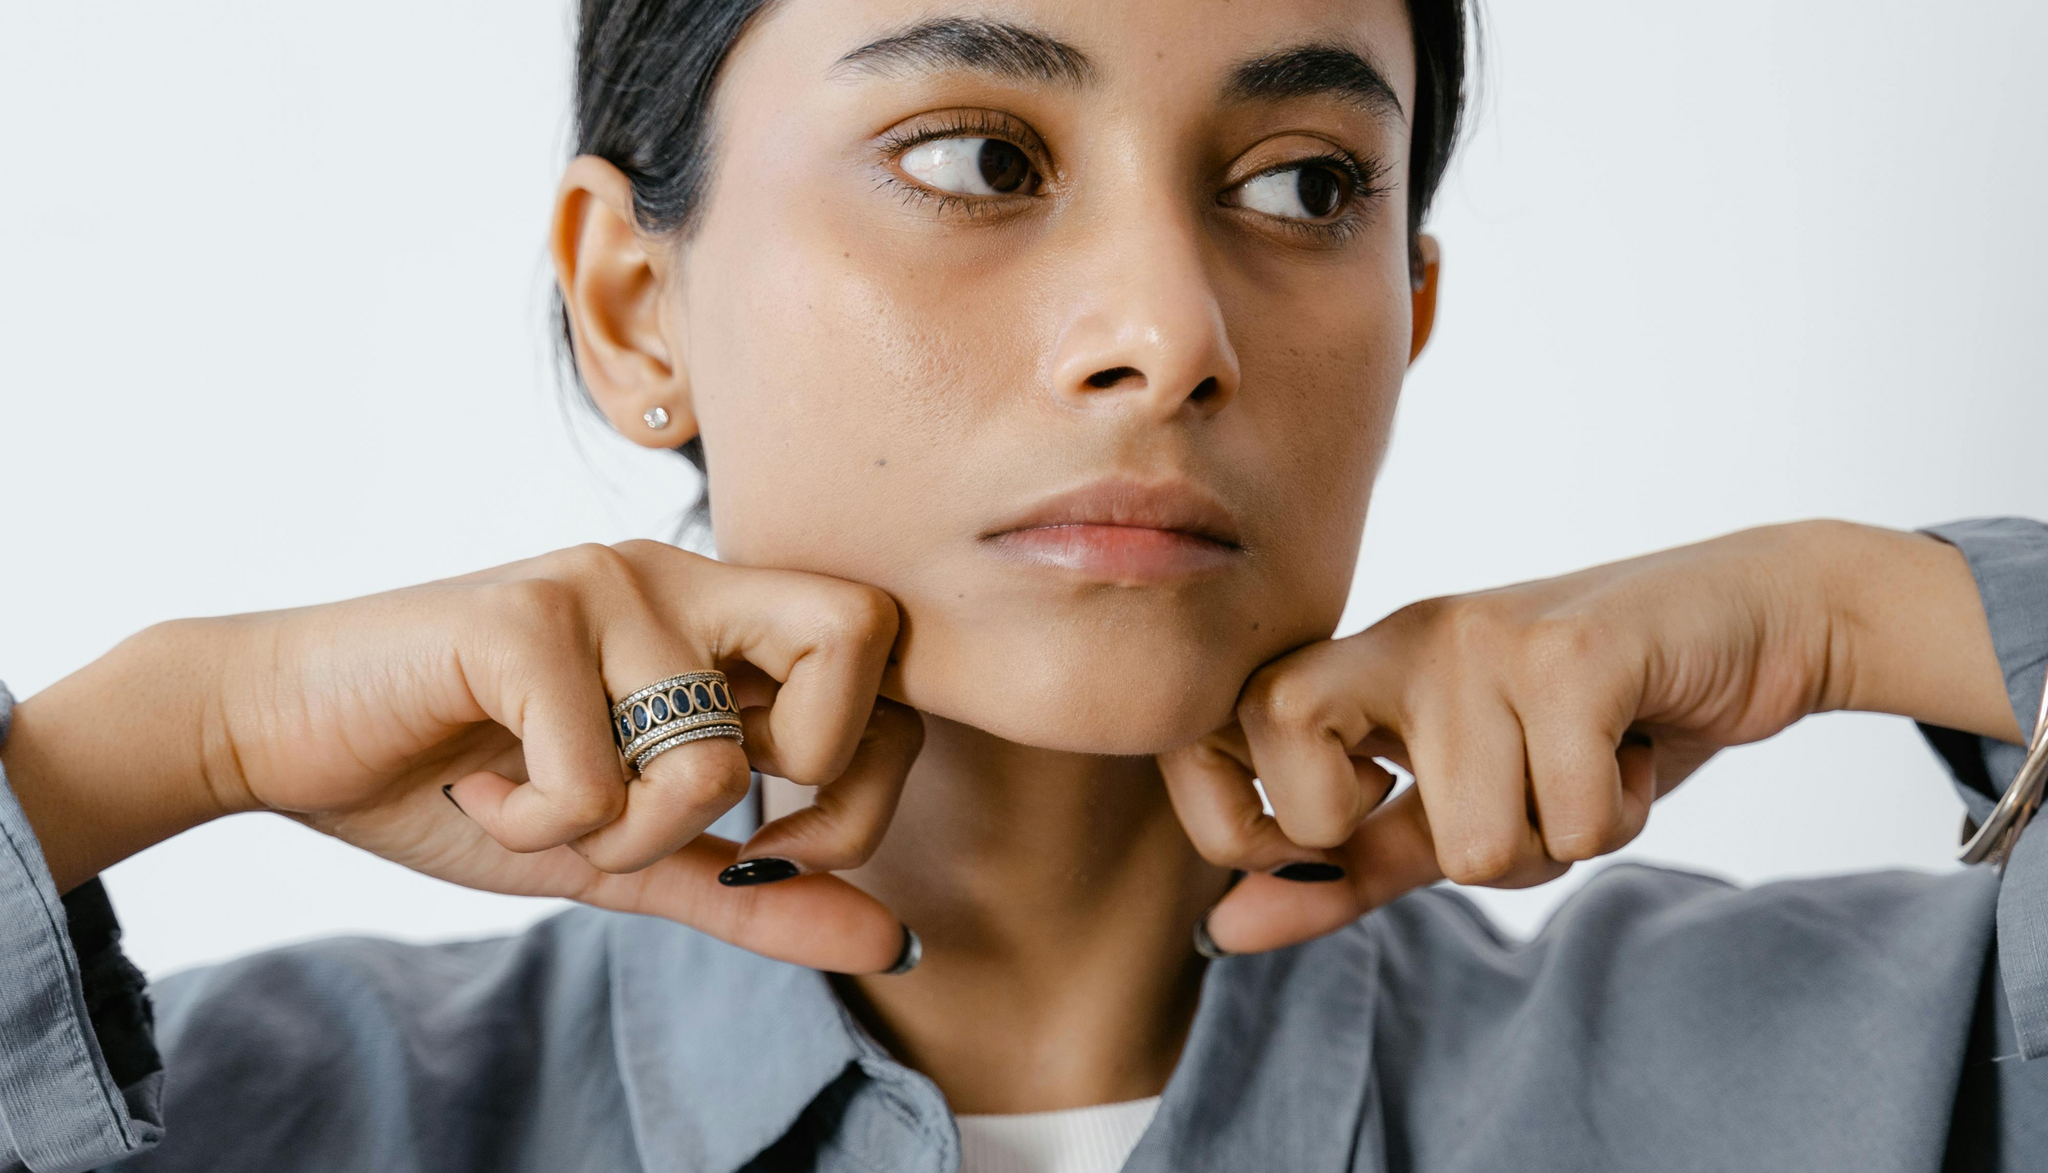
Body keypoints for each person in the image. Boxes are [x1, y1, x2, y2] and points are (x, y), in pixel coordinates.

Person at [0, 0, 2042, 1170]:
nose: (1167, 329)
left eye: (1303, 185)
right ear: (635, 305)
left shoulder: (1841, 1083)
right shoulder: (276, 1125)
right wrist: (154, 734)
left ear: (1408, 313)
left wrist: (1861, 611)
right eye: (977, 157)